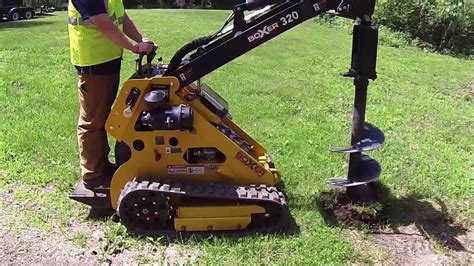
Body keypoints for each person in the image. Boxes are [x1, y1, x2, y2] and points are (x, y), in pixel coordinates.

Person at [68, 0, 155, 189]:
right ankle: (92, 175)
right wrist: (134, 47)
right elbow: (104, 24)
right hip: (92, 65)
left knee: (104, 118)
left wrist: (141, 39)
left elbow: (122, 19)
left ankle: (103, 165)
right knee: (92, 122)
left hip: (108, 63)